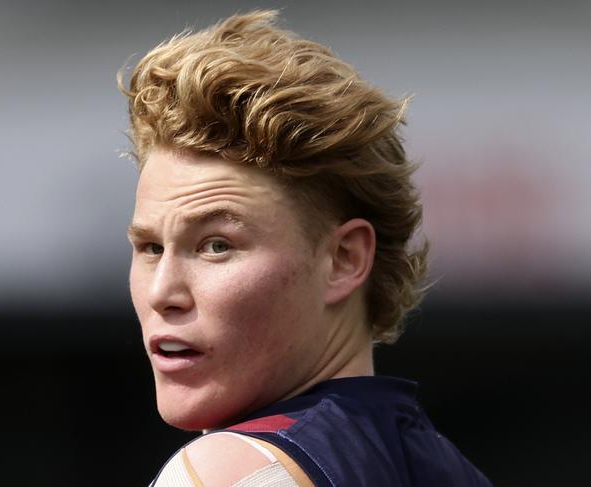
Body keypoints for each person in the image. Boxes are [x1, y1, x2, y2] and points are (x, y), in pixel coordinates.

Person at [120, 10, 492, 487]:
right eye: (150, 247)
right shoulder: (455, 473)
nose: (162, 292)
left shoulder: (229, 473)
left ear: (344, 259)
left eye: (216, 245)